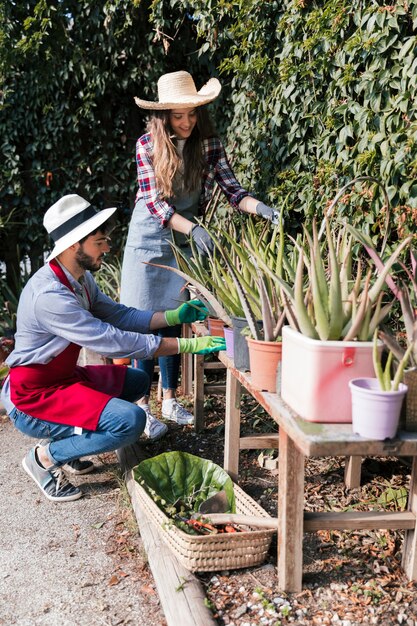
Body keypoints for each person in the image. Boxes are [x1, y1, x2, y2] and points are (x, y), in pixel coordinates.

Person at [0, 194, 225, 503]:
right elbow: (111, 339)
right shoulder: (50, 296)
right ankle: (46, 458)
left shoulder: (78, 279)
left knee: (138, 382)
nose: (107, 247)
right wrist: (184, 344)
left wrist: (172, 316)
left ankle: (72, 443)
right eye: (99, 241)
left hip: (62, 380)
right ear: (72, 245)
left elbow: (119, 315)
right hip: (34, 396)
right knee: (130, 421)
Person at [120, 70, 279, 437]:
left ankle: (171, 399)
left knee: (174, 319)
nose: (187, 121)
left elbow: (234, 192)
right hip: (150, 238)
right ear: (164, 117)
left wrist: (264, 210)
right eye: (178, 115)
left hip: (187, 240)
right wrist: (192, 228)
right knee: (146, 323)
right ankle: (143, 408)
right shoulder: (147, 146)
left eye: (192, 113)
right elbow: (157, 206)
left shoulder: (209, 145)